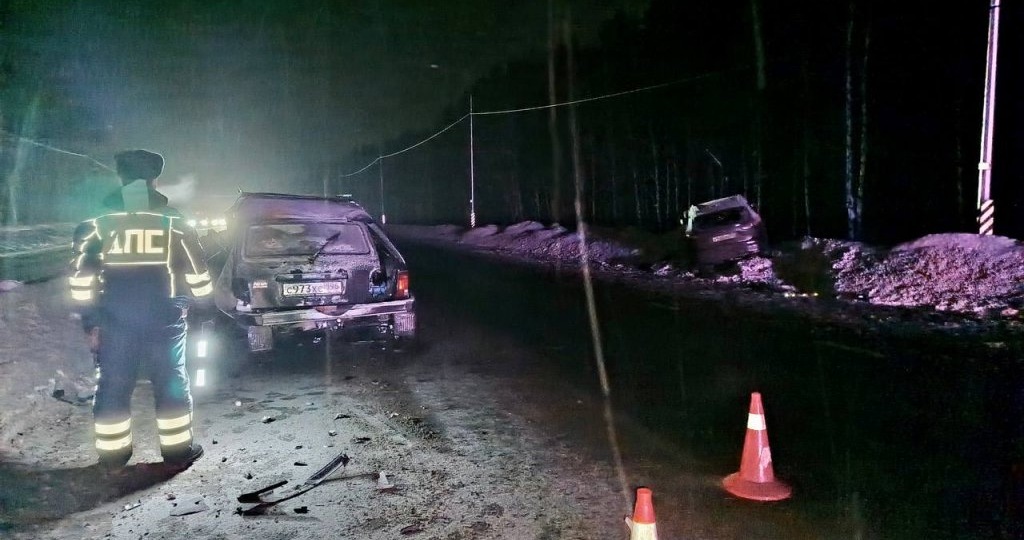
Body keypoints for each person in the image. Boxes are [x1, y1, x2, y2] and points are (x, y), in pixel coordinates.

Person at [68, 149, 211, 470]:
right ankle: (177, 451)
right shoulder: (173, 221)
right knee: (171, 380)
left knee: (113, 383)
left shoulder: (95, 225)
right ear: (153, 179)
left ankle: (113, 455)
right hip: (165, 318)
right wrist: (196, 304)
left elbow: (81, 281)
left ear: (120, 178)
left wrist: (91, 323)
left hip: (114, 321)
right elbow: (198, 273)